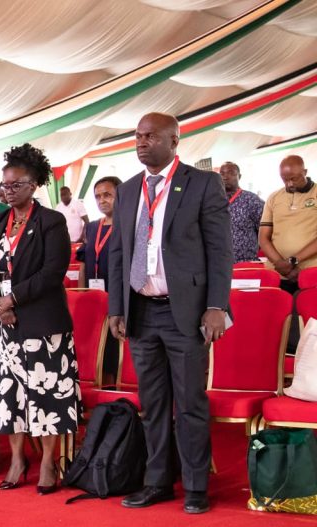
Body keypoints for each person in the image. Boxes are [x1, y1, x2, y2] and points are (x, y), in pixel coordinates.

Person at [108, 112, 231, 514]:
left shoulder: (202, 183)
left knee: (190, 402)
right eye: (137, 136)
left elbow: (220, 250)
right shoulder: (128, 189)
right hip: (141, 310)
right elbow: (117, 253)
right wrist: (116, 307)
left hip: (187, 312)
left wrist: (216, 306)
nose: (141, 143)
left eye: (150, 136)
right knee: (153, 403)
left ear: (174, 141)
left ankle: (195, 486)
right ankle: (157, 481)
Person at [0, 144, 80, 495]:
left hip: (41, 325)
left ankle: (48, 461)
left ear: (34, 185)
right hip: (0, 325)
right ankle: (18, 459)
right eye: (5, 185)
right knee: (8, 395)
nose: (8, 190)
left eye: (16, 185)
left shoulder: (51, 221)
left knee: (46, 395)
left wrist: (12, 299)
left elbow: (53, 271)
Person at [77, 176, 122, 384]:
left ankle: (113, 385)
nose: (102, 200)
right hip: (94, 295)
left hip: (116, 295)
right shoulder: (92, 227)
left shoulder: (127, 225)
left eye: (107, 195)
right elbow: (84, 261)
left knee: (114, 344)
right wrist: (82, 293)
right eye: (97, 196)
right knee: (96, 343)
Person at [259, 155, 317, 293]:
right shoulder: (273, 198)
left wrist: (293, 261)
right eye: (285, 179)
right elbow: (263, 238)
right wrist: (280, 264)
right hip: (279, 273)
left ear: (305, 172)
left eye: (294, 179)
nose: (289, 184)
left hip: (311, 271)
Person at [219, 162, 264, 263]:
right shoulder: (212, 200)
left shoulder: (252, 200)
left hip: (246, 261)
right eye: (222, 173)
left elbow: (264, 230)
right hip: (219, 263)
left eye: (231, 173)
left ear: (239, 176)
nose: (225, 177)